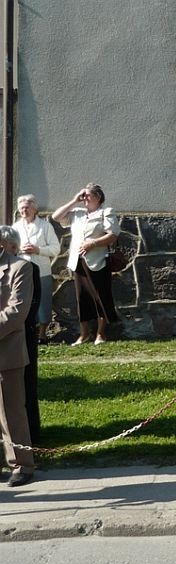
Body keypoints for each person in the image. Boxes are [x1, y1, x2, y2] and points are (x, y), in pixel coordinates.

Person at [52, 183, 120, 345]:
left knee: (101, 297)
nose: (84, 198)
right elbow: (56, 217)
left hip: (98, 261)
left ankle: (100, 334)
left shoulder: (106, 212)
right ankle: (84, 334)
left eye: (87, 195)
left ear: (98, 197)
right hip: (78, 262)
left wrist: (93, 243)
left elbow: (113, 235)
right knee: (82, 298)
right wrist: (74, 200)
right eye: (83, 195)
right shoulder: (78, 213)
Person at [0, 225, 35, 487]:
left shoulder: (20, 268)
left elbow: (17, 311)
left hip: (7, 352)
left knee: (11, 412)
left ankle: (22, 465)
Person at [13, 194, 61, 343]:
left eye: (27, 207)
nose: (24, 210)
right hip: (21, 272)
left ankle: (42, 335)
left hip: (42, 270)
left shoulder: (45, 226)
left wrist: (37, 250)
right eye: (21, 208)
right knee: (22, 301)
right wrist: (20, 249)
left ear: (34, 209)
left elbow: (56, 249)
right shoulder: (15, 227)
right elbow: (10, 248)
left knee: (43, 301)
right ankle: (25, 334)